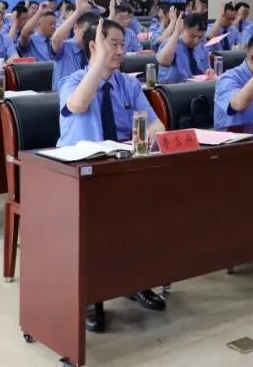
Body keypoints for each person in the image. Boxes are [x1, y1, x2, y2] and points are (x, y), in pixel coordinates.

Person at [57, 18, 166, 332]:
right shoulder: (72, 80)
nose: (120, 51)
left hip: (120, 166)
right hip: (79, 173)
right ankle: (91, 298)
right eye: (113, 44)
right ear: (94, 46)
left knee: (149, 212)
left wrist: (144, 138)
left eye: (122, 44)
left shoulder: (128, 84)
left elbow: (156, 123)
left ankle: (136, 281)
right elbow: (79, 104)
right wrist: (99, 63)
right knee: (94, 225)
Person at [50, 0, 98, 89]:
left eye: (93, 34)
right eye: (85, 33)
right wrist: (78, 12)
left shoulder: (95, 50)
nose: (89, 38)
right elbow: (55, 39)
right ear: (75, 29)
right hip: (63, 96)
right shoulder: (65, 47)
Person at [156, 12, 211, 84]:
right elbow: (164, 61)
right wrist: (176, 32)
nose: (196, 41)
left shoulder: (202, 48)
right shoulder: (170, 43)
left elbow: (206, 69)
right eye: (192, 36)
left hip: (197, 87)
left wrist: (208, 72)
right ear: (183, 29)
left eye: (200, 37)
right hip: (174, 88)